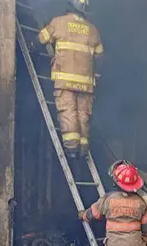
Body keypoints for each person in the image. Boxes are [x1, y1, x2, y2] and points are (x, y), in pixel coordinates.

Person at [38, 0, 104, 158]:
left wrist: (34, 43)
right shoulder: (93, 30)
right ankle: (83, 146)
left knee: (68, 111)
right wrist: (96, 74)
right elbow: (100, 57)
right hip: (86, 83)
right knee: (83, 114)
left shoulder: (59, 22)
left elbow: (42, 38)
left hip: (65, 80)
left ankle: (72, 148)